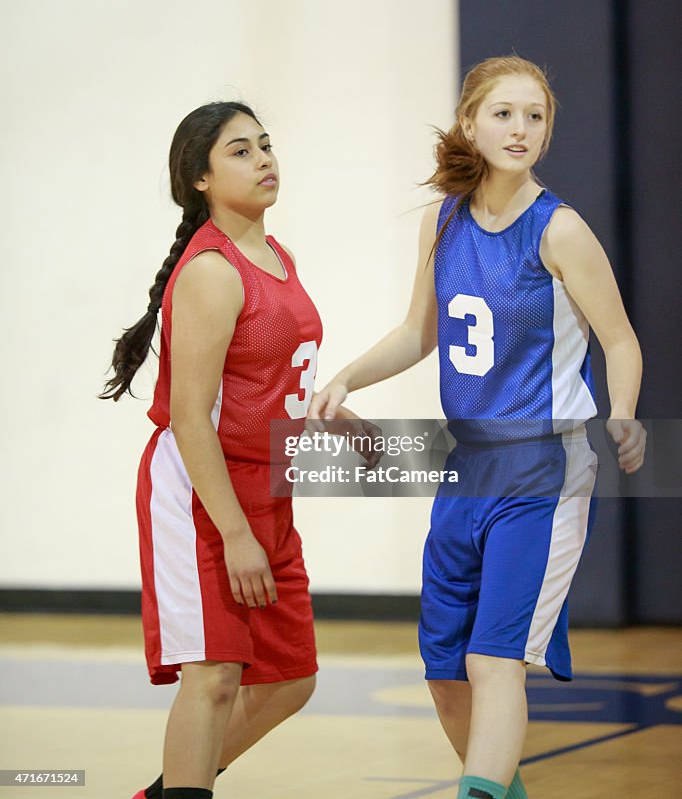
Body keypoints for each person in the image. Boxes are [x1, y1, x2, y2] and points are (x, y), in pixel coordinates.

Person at [309, 56, 646, 799]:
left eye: (535, 115)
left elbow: (618, 337)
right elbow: (416, 331)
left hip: (543, 468)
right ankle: (500, 788)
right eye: (504, 113)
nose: (521, 128)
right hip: (465, 466)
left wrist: (621, 413)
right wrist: (346, 378)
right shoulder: (445, 218)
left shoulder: (560, 230)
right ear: (470, 122)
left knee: (495, 660)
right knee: (445, 669)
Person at [100, 101, 373, 799]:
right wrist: (234, 534)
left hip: (269, 484)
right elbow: (192, 420)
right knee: (214, 675)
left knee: (291, 680)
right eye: (241, 152)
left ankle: (164, 793)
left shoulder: (278, 256)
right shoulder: (211, 273)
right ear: (199, 178)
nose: (264, 160)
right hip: (204, 493)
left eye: (266, 146)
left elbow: (272, 381)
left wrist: (344, 421)